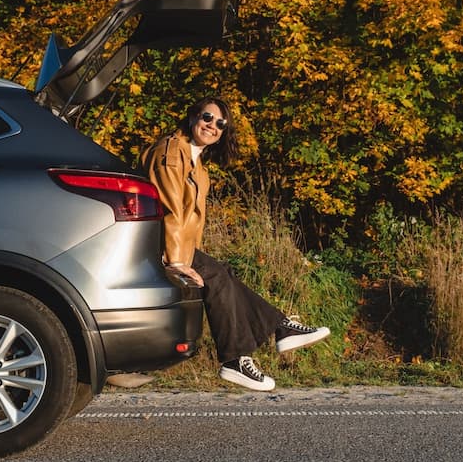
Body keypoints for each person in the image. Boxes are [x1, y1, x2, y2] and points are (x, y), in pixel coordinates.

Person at [140, 96, 330, 391]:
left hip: (176, 244)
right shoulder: (172, 153)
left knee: (221, 274)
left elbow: (191, 219)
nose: (212, 126)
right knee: (216, 276)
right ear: (193, 117)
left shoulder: (195, 161)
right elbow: (171, 209)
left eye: (220, 124)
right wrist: (177, 261)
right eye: (207, 118)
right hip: (156, 243)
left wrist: (187, 255)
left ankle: (270, 335)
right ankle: (241, 356)